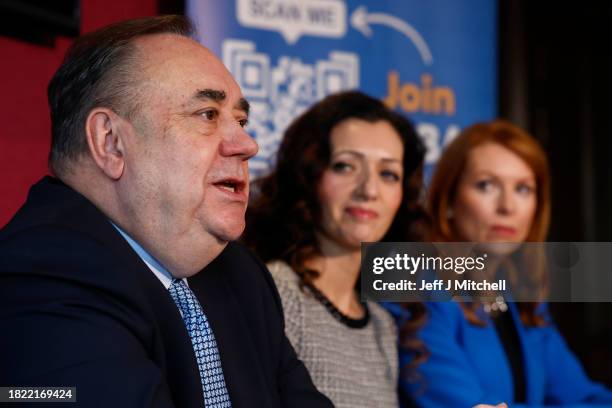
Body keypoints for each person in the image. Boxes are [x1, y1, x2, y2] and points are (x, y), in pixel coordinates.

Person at [0, 16, 333, 408]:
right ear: (111, 143)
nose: (248, 144)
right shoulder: (38, 276)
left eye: (241, 121)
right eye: (208, 115)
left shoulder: (241, 272)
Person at [386, 120, 612, 406]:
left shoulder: (520, 297)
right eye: (486, 185)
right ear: (449, 200)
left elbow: (583, 397)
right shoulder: (405, 279)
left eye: (523, 189)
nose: (508, 206)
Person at [244, 91, 428, 407]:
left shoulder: (382, 324)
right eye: (345, 166)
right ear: (308, 175)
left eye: (388, 174)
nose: (369, 190)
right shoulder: (277, 293)